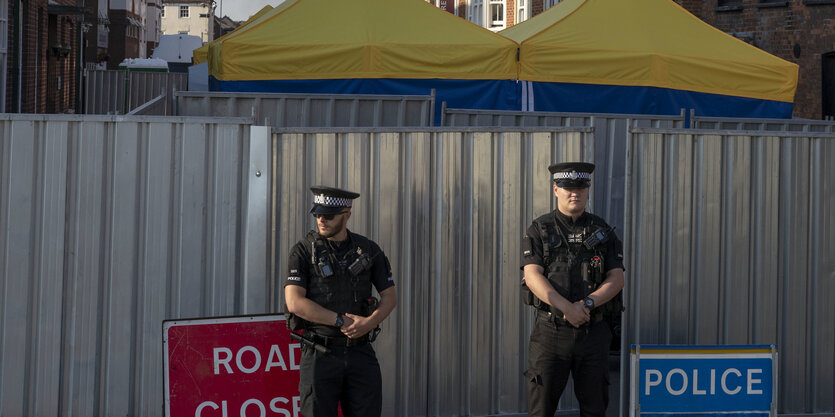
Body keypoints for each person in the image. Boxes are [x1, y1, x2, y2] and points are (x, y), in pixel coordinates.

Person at [521, 162, 625, 417]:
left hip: (594, 333)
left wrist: (587, 304)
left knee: (594, 409)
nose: (574, 193)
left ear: (588, 190)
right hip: (550, 333)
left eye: (580, 187)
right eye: (567, 187)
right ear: (556, 189)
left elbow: (616, 277)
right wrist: (567, 307)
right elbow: (532, 275)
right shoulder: (539, 229)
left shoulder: (603, 231)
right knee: (540, 409)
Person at [284, 185, 397, 417]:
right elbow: (294, 302)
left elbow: (389, 296)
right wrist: (339, 321)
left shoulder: (368, 249)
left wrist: (369, 323)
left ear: (347, 214)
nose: (321, 220)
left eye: (329, 215)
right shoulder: (304, 251)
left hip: (360, 353)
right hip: (320, 353)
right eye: (317, 215)